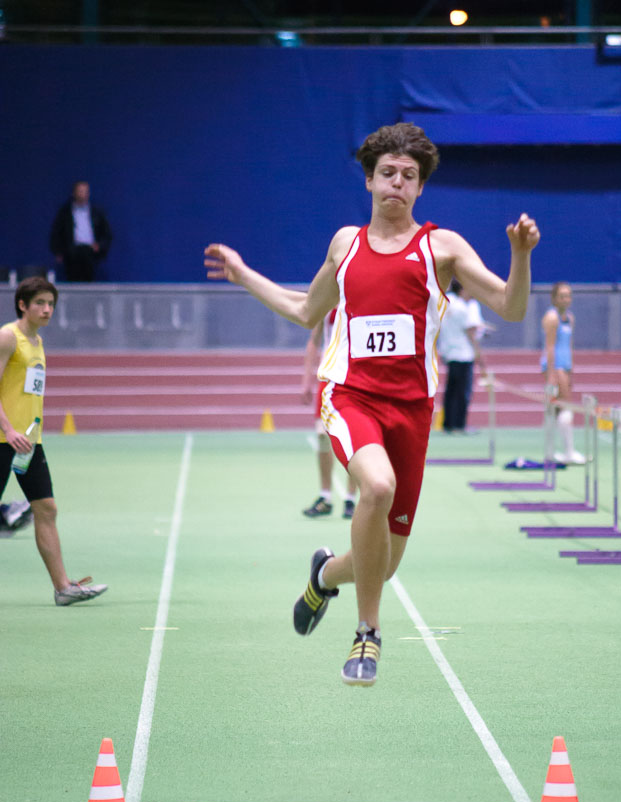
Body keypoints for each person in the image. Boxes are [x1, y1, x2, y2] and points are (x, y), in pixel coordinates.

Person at [204, 121, 539, 686]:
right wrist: (242, 275)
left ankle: (324, 577)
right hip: (349, 395)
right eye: (388, 173)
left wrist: (520, 255)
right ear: (369, 180)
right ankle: (367, 635)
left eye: (409, 177)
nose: (397, 184)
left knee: (383, 563)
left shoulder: (443, 247)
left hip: (411, 411)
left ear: (420, 189)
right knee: (375, 489)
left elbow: (510, 307)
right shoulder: (346, 244)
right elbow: (306, 311)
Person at [0, 276, 108, 605]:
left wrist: (26, 433)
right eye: (40, 304)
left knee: (46, 508)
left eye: (51, 304)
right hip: (5, 438)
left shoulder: (38, 342)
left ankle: (63, 588)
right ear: (23, 305)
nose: (47, 310)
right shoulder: (8, 337)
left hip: (29, 443)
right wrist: (8, 429)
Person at [301, 311, 357, 519]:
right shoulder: (327, 302)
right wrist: (307, 379)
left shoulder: (361, 298)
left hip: (354, 374)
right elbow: (314, 341)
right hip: (329, 374)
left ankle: (351, 497)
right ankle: (325, 497)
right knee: (322, 435)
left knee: (354, 438)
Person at [540, 282, 585, 465]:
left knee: (555, 409)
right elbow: (549, 347)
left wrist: (571, 368)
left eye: (568, 295)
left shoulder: (570, 318)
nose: (566, 299)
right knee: (564, 406)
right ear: (554, 298)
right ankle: (568, 452)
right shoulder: (552, 318)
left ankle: (551, 452)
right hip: (555, 366)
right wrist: (551, 373)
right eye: (562, 296)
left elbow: (569, 345)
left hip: (565, 365)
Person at [439, 278, 487, 434]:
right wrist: (480, 356)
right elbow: (471, 332)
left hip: (449, 351)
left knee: (451, 390)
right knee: (462, 392)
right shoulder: (463, 308)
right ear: (462, 290)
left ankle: (448, 424)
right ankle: (459, 425)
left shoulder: (447, 302)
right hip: (463, 354)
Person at [49, 181, 112, 281]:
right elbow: (56, 233)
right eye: (80, 191)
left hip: (90, 252)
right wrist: (58, 252)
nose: (83, 195)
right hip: (72, 253)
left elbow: (107, 233)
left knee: (89, 280)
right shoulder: (65, 213)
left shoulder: (97, 212)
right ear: (73, 193)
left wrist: (99, 245)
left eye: (86, 192)